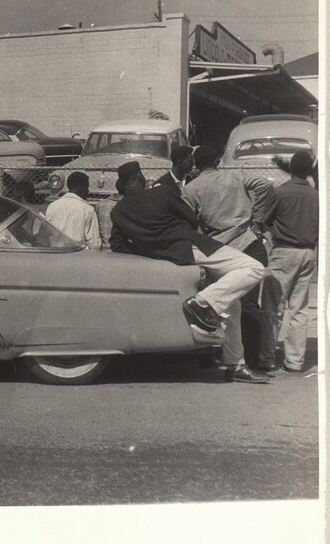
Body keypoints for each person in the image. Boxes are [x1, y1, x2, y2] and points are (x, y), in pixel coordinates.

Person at [109, 161, 268, 384]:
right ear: (139, 176)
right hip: (195, 246)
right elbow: (191, 218)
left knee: (233, 301)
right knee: (254, 268)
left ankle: (235, 364)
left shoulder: (118, 212)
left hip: (173, 257)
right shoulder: (162, 193)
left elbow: (117, 243)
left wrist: (154, 250)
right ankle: (202, 303)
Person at [183, 144, 274, 373]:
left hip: (219, 248)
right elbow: (265, 184)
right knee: (250, 304)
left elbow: (188, 219)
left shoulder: (192, 188)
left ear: (196, 164)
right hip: (248, 241)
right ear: (217, 161)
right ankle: (254, 361)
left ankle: (230, 357)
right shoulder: (235, 175)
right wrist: (256, 215)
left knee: (229, 304)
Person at [259, 150, 319, 374]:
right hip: (308, 252)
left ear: (291, 168)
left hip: (284, 251)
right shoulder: (317, 196)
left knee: (273, 307)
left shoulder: (280, 192)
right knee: (299, 308)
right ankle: (295, 361)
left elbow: (263, 219)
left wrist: (271, 233)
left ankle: (266, 358)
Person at [43, 171, 101, 249]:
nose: (88, 191)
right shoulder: (87, 209)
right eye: (87, 187)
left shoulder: (52, 207)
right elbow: (94, 244)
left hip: (55, 253)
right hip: (78, 256)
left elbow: (45, 235)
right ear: (80, 187)